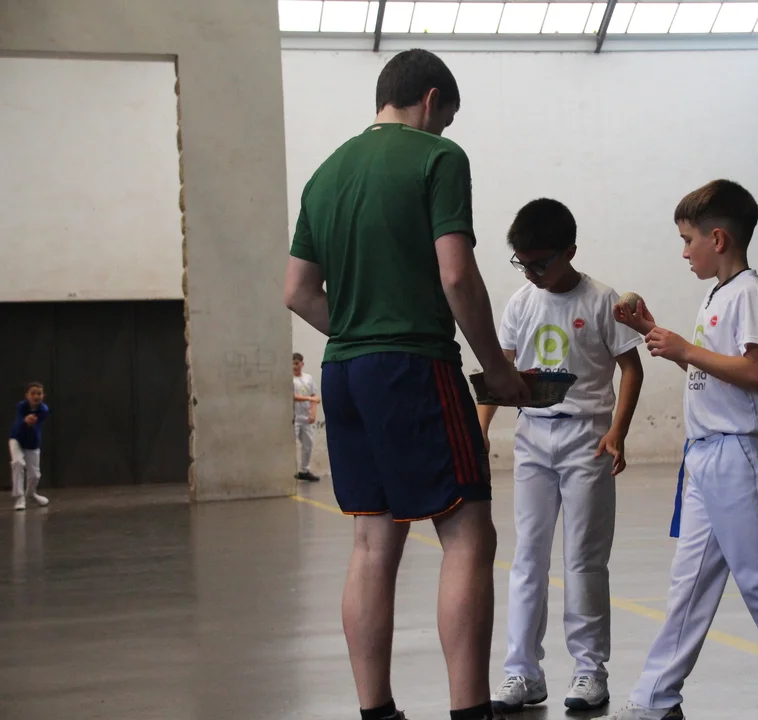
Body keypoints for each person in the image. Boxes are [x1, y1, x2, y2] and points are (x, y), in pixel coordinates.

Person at [283, 48, 529, 720]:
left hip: (343, 372)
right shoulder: (437, 158)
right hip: (415, 367)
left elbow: (297, 292)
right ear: (430, 100)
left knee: (372, 543)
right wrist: (497, 370)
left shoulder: (325, 174)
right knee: (468, 533)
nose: (443, 131)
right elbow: (456, 274)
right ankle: (469, 709)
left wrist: (358, 326)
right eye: (444, 119)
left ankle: (378, 711)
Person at [605, 180, 758, 720]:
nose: (683, 251)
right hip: (705, 457)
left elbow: (756, 371)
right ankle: (655, 698)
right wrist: (654, 332)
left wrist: (687, 348)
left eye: (687, 239)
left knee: (757, 574)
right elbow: (712, 369)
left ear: (717, 238)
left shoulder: (749, 294)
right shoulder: (717, 295)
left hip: (737, 452)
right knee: (688, 582)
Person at [479, 199, 644, 713]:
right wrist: (480, 428)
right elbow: (501, 372)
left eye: (540, 263)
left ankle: (590, 671)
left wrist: (617, 431)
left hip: (587, 439)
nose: (531, 273)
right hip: (532, 436)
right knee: (527, 556)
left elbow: (632, 369)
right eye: (523, 263)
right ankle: (522, 673)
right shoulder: (520, 303)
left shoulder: (601, 300)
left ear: (569, 251)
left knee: (584, 558)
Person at [10, 381, 50, 511]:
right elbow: (18, 423)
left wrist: (30, 423)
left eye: (39, 393)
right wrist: (24, 421)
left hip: (32, 443)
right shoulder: (21, 406)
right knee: (18, 463)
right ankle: (19, 497)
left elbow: (35, 426)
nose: (36, 396)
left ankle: (31, 494)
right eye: (33, 393)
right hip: (17, 439)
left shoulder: (43, 410)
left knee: (35, 475)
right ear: (27, 395)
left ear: (43, 396)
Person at [292, 352, 320, 482]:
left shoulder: (308, 378)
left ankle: (304, 471)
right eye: (292, 364)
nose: (294, 366)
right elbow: (293, 396)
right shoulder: (290, 380)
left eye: (296, 363)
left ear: (302, 364)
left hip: (306, 418)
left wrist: (313, 413)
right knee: (290, 445)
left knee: (308, 445)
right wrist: (309, 398)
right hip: (294, 418)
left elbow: (314, 396)